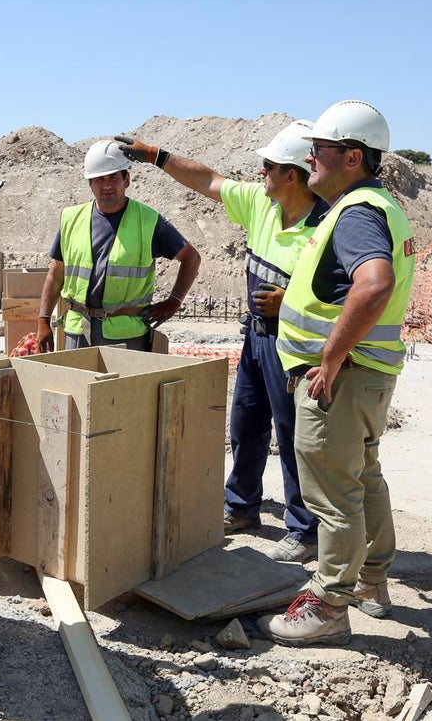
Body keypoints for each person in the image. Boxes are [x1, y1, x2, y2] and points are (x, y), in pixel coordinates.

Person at [114, 123, 324, 562]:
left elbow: (344, 291)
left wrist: (290, 303)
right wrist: (157, 155)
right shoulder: (261, 204)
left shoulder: (327, 224)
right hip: (257, 338)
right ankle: (242, 507)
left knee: (292, 435)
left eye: (267, 166)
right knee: (245, 426)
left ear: (291, 174)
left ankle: (305, 529)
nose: (259, 172)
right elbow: (207, 180)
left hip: (298, 346)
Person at [258, 100, 416, 647]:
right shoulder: (377, 205)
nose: (309, 159)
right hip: (367, 375)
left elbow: (374, 284)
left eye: (319, 151)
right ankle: (371, 582)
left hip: (342, 379)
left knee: (331, 494)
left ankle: (328, 603)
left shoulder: (357, 213)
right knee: (361, 478)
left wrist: (328, 357)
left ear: (352, 157)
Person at [36, 139, 201, 352]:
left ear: (127, 180)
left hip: (127, 336)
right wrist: (43, 319)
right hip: (78, 331)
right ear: (90, 184)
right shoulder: (71, 218)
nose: (106, 185)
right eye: (99, 179)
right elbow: (56, 273)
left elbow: (191, 258)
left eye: (113, 177)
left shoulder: (149, 221)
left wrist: (174, 301)